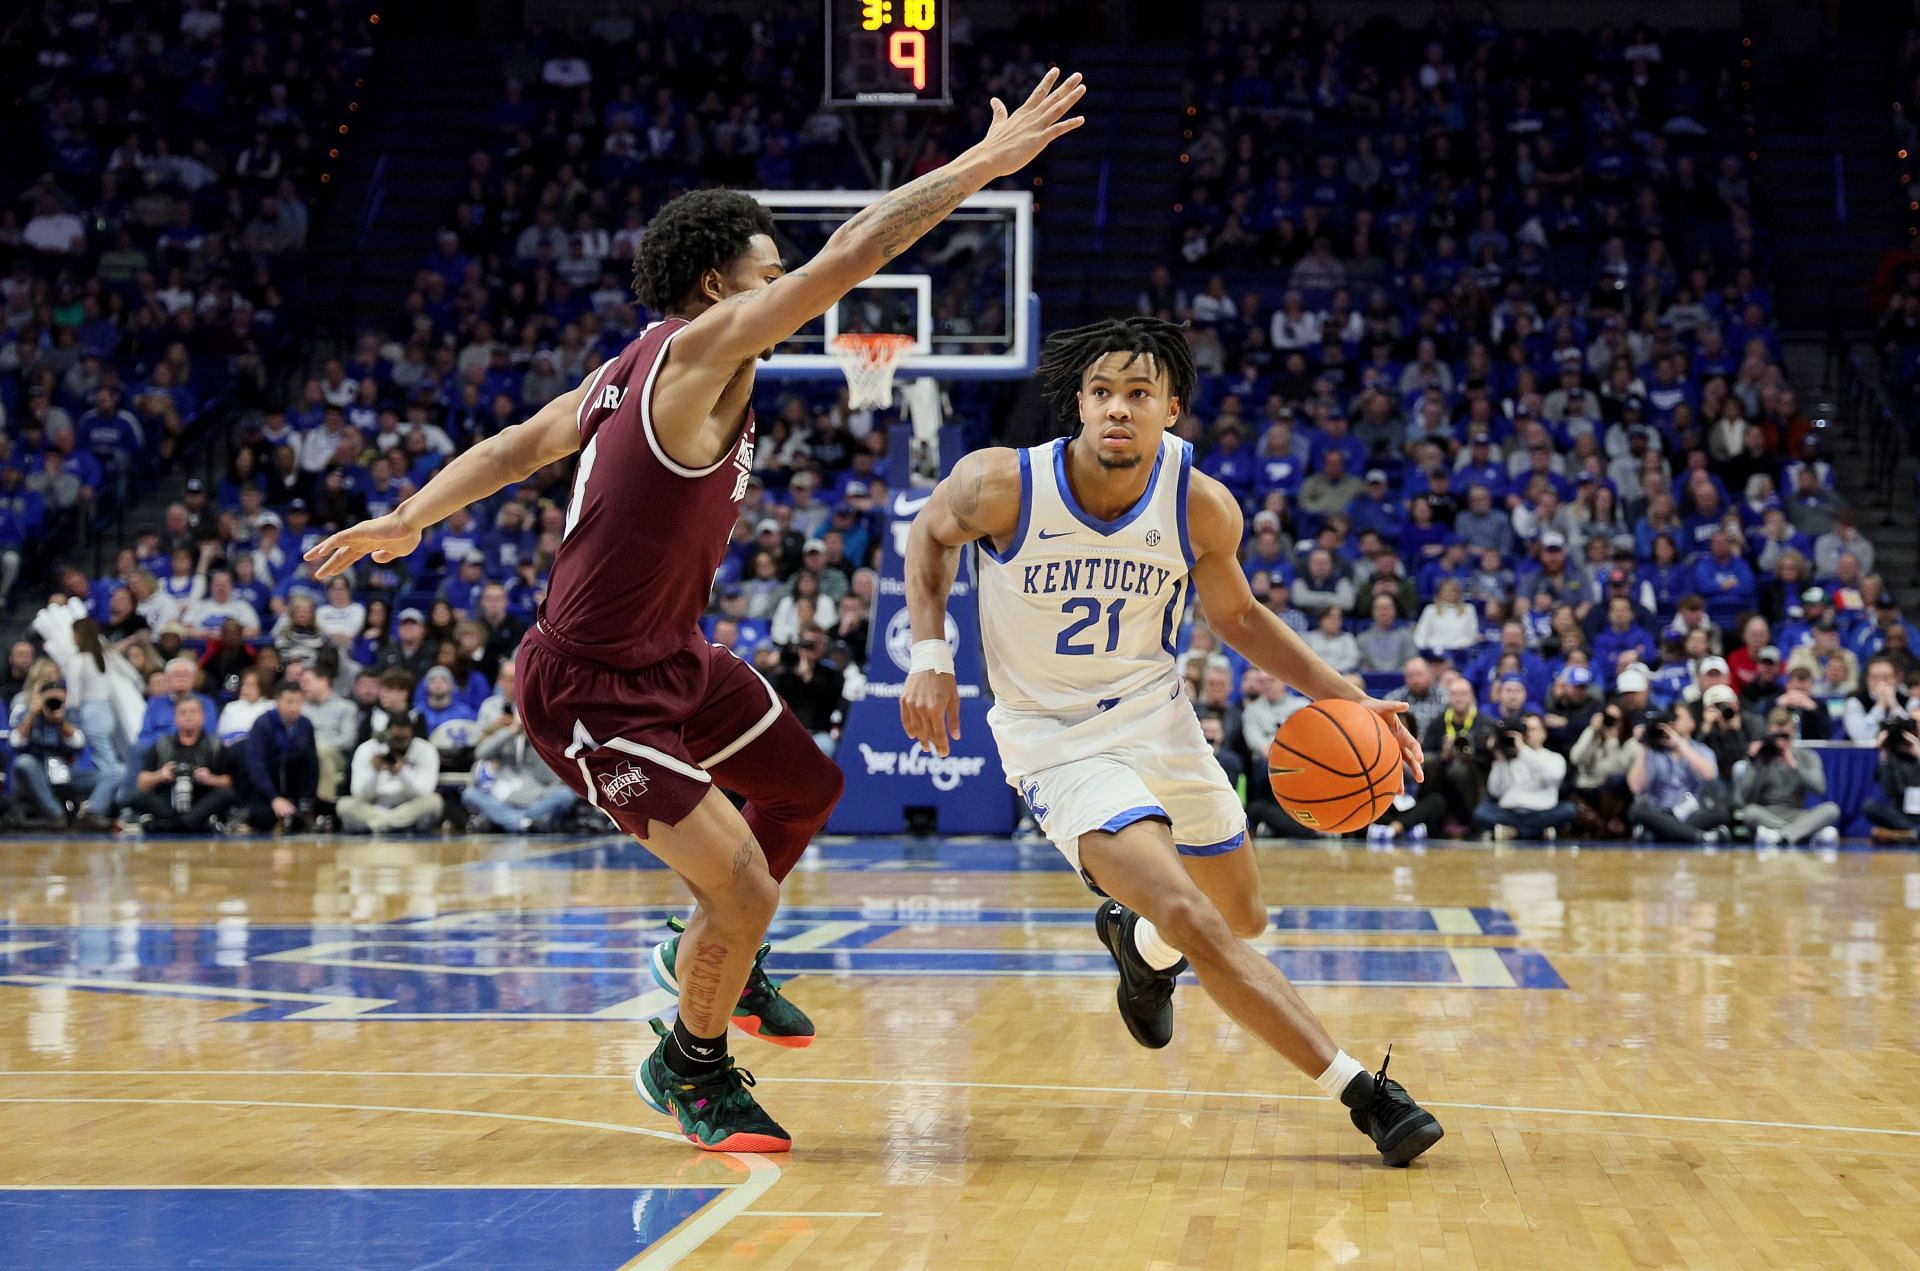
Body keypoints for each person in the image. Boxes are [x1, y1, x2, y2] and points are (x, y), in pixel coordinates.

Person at [304, 73, 1088, 1154]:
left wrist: (410, 514)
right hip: (586, 688)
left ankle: (715, 947)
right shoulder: (694, 351)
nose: (789, 282)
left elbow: (519, 445)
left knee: (810, 785)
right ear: (721, 286)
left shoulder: (632, 368)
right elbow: (852, 254)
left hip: (671, 656)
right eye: (771, 268)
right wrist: (977, 168)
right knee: (743, 882)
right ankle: (690, 1063)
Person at [901, 315, 1443, 1168]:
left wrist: (1353, 699)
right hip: (1054, 737)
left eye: (1139, 394)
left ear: (1171, 408)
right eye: (1103, 392)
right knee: (1192, 913)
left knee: (1239, 914)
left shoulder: (1199, 502)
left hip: (1158, 717)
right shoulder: (1001, 484)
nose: (1119, 408)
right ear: (1079, 403)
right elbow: (928, 538)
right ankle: (1363, 1093)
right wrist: (931, 654)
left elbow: (1239, 617)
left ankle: (1138, 949)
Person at [463, 699, 581, 832]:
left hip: (532, 800)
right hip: (503, 801)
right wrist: (510, 731)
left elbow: (552, 780)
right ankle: (522, 822)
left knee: (565, 794)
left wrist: (532, 736)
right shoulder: (499, 745)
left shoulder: (531, 745)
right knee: (469, 794)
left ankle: (517, 821)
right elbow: (481, 752)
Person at [127, 696, 236, 832]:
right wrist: (161, 775)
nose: (188, 717)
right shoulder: (162, 744)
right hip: (168, 801)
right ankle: (192, 824)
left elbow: (229, 782)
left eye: (193, 712)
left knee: (226, 795)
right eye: (183, 713)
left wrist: (210, 779)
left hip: (201, 800)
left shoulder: (215, 746)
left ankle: (167, 825)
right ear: (175, 718)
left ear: (202, 717)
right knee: (135, 797)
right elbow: (141, 783)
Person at [1735, 707, 1840, 846]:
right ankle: (1803, 834)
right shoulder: (1760, 756)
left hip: (1798, 814)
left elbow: (1820, 788)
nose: (1780, 741)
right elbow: (1744, 798)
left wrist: (1795, 765)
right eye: (1776, 736)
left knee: (1831, 809)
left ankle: (1781, 836)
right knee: (1750, 812)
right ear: (1768, 732)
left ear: (1793, 731)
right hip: (1768, 814)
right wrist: (1754, 763)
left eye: (1785, 735)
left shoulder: (1807, 756)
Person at [1626, 706, 1730, 843]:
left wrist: (1680, 744)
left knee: (1721, 813)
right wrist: (1645, 746)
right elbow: (1636, 787)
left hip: (1692, 814)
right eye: (1670, 719)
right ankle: (1703, 836)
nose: (1672, 723)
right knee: (1636, 810)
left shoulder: (1702, 750)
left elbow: (1709, 775)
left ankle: (1658, 834)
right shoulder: (1653, 752)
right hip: (1660, 812)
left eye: (1677, 718)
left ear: (1692, 724)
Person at [7, 674, 96, 830]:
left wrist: (61, 722)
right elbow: (15, 742)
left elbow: (79, 742)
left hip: (69, 772)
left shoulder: (70, 713)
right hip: (38, 772)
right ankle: (57, 816)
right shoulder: (27, 713)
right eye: (50, 700)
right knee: (24, 762)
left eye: (59, 700)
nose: (54, 704)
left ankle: (92, 815)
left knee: (112, 774)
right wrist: (32, 714)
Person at [1471, 712, 1577, 841]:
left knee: (1569, 810)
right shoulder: (1508, 758)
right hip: (1510, 813)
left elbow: (1552, 777)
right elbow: (1495, 791)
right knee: (1481, 812)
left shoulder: (1554, 758)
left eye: (1532, 729)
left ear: (1544, 733)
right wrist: (1499, 757)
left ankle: (1514, 832)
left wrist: (1523, 750)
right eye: (1524, 729)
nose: (1528, 734)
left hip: (1542, 812)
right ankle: (1537, 832)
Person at [338, 715, 444, 833]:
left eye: (404, 739)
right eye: (395, 738)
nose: (400, 743)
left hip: (409, 807)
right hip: (374, 807)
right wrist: (375, 772)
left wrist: (402, 773)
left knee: (434, 801)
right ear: (387, 734)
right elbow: (359, 794)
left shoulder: (426, 750)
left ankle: (379, 825)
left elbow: (423, 792)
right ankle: (396, 825)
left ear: (412, 735)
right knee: (344, 804)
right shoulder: (367, 749)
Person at [243, 679, 318, 831]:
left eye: (298, 702)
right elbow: (255, 765)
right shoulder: (263, 724)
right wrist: (274, 797)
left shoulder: (305, 725)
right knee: (263, 820)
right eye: (289, 702)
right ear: (277, 701)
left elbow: (312, 766)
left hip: (293, 789)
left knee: (299, 824)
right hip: (265, 791)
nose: (294, 707)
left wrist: (306, 799)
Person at [1422, 675, 1496, 826]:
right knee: (1429, 762)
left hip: (1476, 776)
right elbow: (1424, 753)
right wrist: (1443, 754)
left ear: (1472, 697)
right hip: (1442, 775)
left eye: (1463, 694)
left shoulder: (1485, 722)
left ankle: (1475, 821)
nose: (1459, 698)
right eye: (1455, 694)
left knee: (1459, 770)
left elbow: (1491, 757)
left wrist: (1472, 755)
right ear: (1448, 698)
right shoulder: (1437, 722)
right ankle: (1433, 818)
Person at [1864, 718, 1920, 845]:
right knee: (1869, 806)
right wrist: (1884, 753)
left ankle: (1899, 835)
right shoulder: (1892, 758)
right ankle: (1911, 834)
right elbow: (1889, 791)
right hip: (1902, 815)